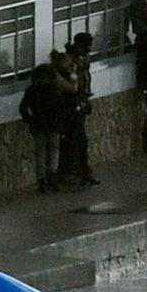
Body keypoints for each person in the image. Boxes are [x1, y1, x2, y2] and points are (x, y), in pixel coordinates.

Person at [18, 52, 67, 193]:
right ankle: (52, 176)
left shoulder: (31, 90)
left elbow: (23, 108)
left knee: (40, 153)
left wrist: (29, 119)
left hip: (38, 124)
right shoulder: (54, 90)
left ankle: (42, 181)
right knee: (53, 151)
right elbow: (61, 107)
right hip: (53, 124)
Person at [53, 39, 96, 189]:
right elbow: (73, 89)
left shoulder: (77, 69)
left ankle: (84, 172)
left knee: (80, 143)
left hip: (75, 110)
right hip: (69, 113)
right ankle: (73, 174)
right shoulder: (62, 76)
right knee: (71, 144)